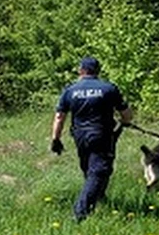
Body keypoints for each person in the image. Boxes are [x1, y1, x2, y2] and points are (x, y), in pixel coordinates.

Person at [51, 56, 134, 221]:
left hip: (80, 136)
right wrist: (125, 123)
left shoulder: (70, 90)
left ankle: (98, 198)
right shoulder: (108, 88)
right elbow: (125, 114)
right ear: (98, 71)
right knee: (98, 171)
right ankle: (80, 213)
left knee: (89, 168)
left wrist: (55, 138)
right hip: (101, 135)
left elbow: (60, 117)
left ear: (81, 70)